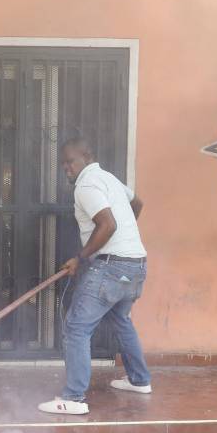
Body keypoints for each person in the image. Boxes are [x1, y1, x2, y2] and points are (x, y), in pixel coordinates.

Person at [38, 137, 151, 415]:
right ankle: (140, 380)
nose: (66, 168)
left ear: (86, 156)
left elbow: (108, 224)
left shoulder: (86, 185)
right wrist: (125, 233)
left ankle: (74, 398)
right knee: (120, 319)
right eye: (63, 163)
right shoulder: (108, 178)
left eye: (70, 161)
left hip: (112, 269)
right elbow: (137, 203)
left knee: (76, 328)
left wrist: (81, 257)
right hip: (134, 267)